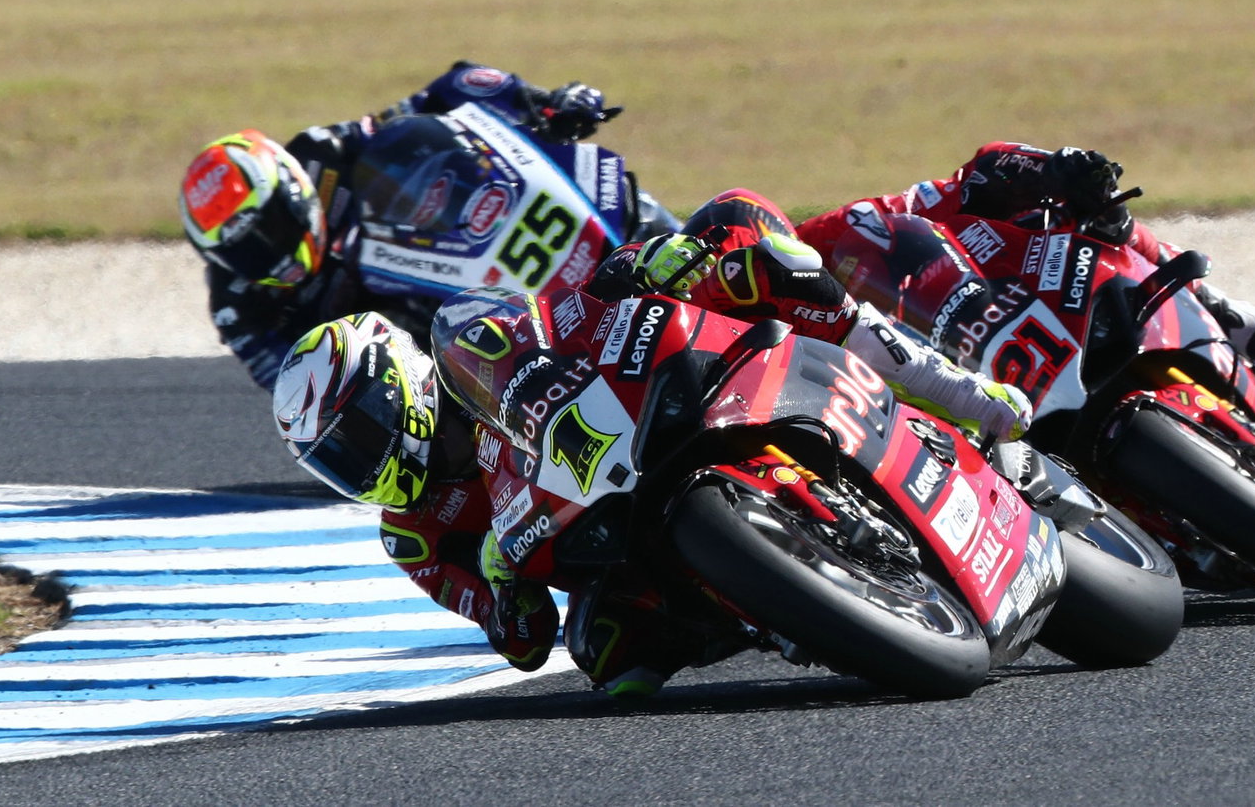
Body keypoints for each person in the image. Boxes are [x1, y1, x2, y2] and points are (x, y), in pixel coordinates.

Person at [270, 190, 1034, 699]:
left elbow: (566, 312)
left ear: (394, 381)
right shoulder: (413, 536)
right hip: (606, 534)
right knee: (610, 660)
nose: (361, 464)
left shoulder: (468, 335)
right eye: (338, 462)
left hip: (645, 396)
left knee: (748, 236)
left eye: (359, 434)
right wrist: (504, 587)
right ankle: (793, 604)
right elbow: (523, 643)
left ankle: (956, 392)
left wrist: (636, 268)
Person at [178, 61, 678, 388]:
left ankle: (657, 245)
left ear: (292, 189)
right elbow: (289, 382)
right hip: (415, 348)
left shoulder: (322, 152)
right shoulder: (236, 305)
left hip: (459, 253)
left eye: (272, 230)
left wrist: (541, 105)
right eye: (247, 252)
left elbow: (436, 100)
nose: (271, 254)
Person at [794, 142, 1255, 366]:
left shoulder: (901, 212)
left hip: (1063, 291)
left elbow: (990, 163)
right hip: (967, 363)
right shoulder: (839, 276)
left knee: (1093, 210)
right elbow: (795, 252)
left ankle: (1213, 305)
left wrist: (1060, 169)